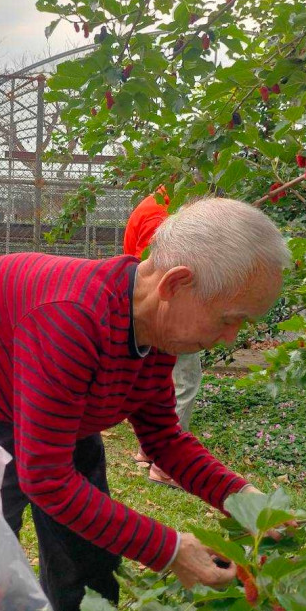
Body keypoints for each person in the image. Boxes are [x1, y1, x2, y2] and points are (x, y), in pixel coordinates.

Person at [0, 197, 291, 611]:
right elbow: (47, 478)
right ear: (176, 285)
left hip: (61, 408)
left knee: (89, 565)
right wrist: (170, 548)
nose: (231, 336)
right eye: (230, 318)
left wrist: (243, 497)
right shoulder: (71, 319)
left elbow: (163, 438)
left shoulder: (158, 328)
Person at [123, 188, 203, 486]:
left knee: (159, 381)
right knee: (184, 379)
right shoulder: (163, 215)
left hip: (149, 310)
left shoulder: (150, 205)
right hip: (169, 310)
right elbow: (159, 269)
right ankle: (165, 464)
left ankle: (149, 450)